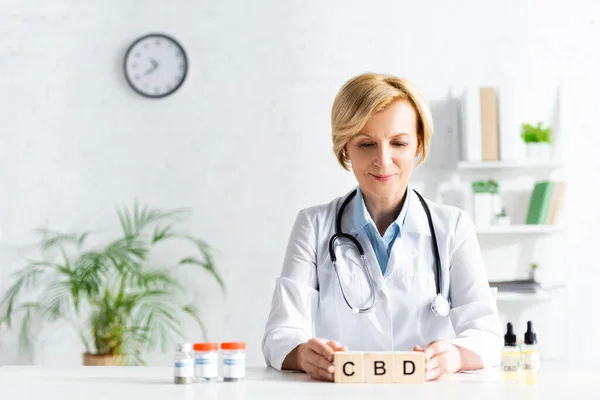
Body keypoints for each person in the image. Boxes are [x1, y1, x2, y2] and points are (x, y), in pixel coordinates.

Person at [261, 72, 502, 381]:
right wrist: (305, 355)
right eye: (366, 144)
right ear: (345, 147)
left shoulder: (453, 227)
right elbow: (279, 334)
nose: (383, 160)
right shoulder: (313, 225)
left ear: (418, 145)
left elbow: (486, 333)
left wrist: (454, 357)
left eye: (398, 143)